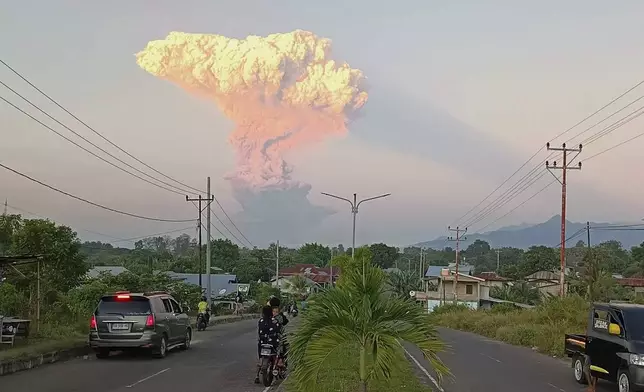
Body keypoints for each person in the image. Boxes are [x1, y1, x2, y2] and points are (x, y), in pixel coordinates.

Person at [255, 305, 281, 384]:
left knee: (261, 358)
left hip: (262, 343)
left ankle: (257, 375)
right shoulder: (274, 321)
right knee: (279, 352)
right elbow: (278, 331)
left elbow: (260, 332)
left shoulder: (261, 321)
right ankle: (278, 365)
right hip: (272, 342)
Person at [268, 296, 289, 368]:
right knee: (284, 345)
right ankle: (280, 360)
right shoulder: (280, 314)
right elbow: (285, 321)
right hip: (278, 335)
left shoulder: (267, 313)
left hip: (267, 335)